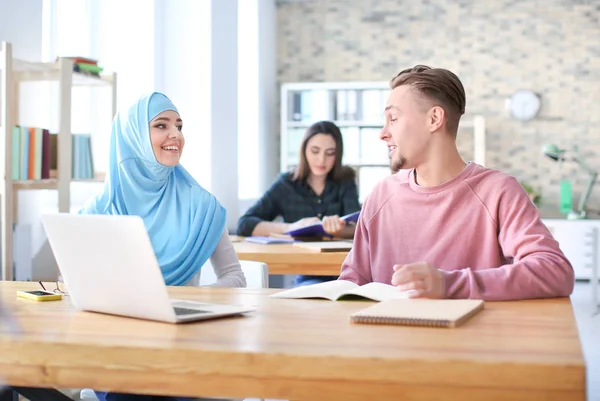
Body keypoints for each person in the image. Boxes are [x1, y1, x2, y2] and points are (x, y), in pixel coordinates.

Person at [338, 65, 574, 301]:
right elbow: (352, 283)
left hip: (472, 337)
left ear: (434, 119)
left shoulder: (498, 192)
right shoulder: (381, 195)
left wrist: (450, 284)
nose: (383, 133)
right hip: (388, 335)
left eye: (394, 118)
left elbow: (555, 271)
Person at [79, 92, 246, 401]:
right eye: (161, 125)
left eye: (179, 126)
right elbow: (80, 281)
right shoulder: (99, 208)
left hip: (184, 344)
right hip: (119, 346)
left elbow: (235, 277)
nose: (176, 135)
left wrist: (187, 299)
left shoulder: (202, 205)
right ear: (134, 137)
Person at [237, 121, 361, 286]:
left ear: (337, 155)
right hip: (309, 274)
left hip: (347, 271)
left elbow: (359, 228)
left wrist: (341, 230)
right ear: (304, 151)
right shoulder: (286, 184)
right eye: (315, 151)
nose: (321, 159)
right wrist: (290, 228)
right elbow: (245, 224)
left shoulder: (345, 180)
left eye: (330, 153)